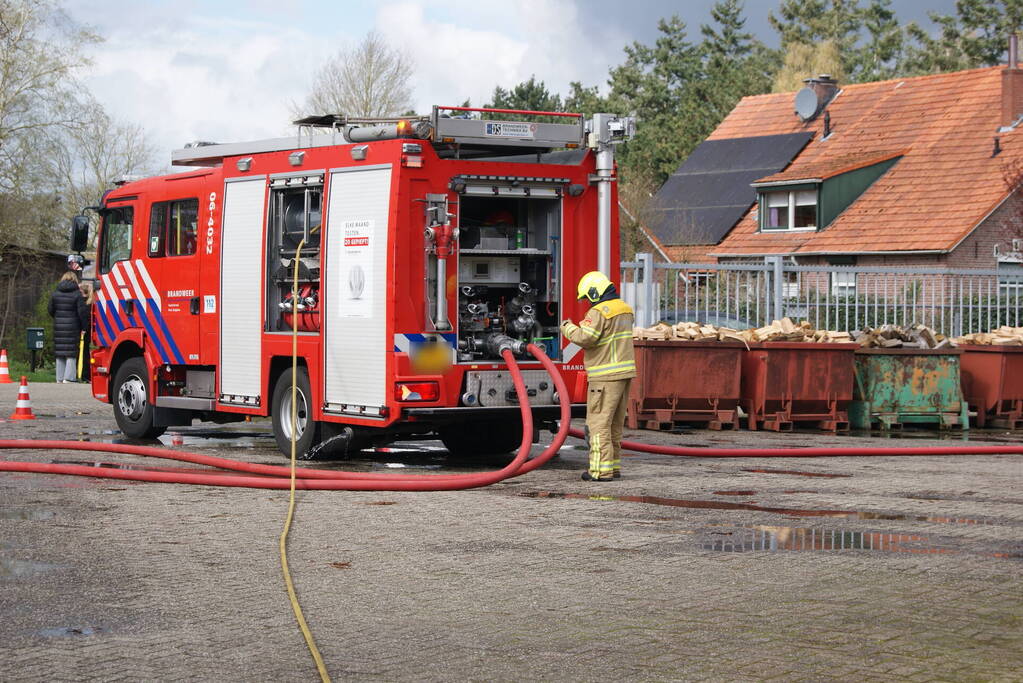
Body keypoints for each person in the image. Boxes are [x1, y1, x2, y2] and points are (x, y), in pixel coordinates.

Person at [560, 271, 637, 482]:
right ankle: (613, 467)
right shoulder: (624, 309)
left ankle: (600, 471)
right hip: (624, 374)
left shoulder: (598, 312)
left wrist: (567, 327)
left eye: (587, 297)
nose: (588, 301)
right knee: (614, 425)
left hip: (604, 376)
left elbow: (587, 337)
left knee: (598, 424)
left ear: (595, 292)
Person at [48, 271, 89, 383]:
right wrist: (84, 327)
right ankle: (69, 378)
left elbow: (50, 310)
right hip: (73, 326)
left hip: (59, 326)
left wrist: (58, 318)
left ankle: (59, 378)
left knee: (60, 352)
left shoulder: (55, 294)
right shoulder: (77, 294)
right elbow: (82, 313)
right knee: (71, 352)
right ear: (75, 280)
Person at [78, 281, 95, 382]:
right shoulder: (91, 303)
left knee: (82, 353)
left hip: (82, 330)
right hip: (88, 330)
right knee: (86, 353)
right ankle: (87, 375)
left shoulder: (81, 302)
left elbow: (82, 317)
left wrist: (83, 329)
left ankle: (83, 374)